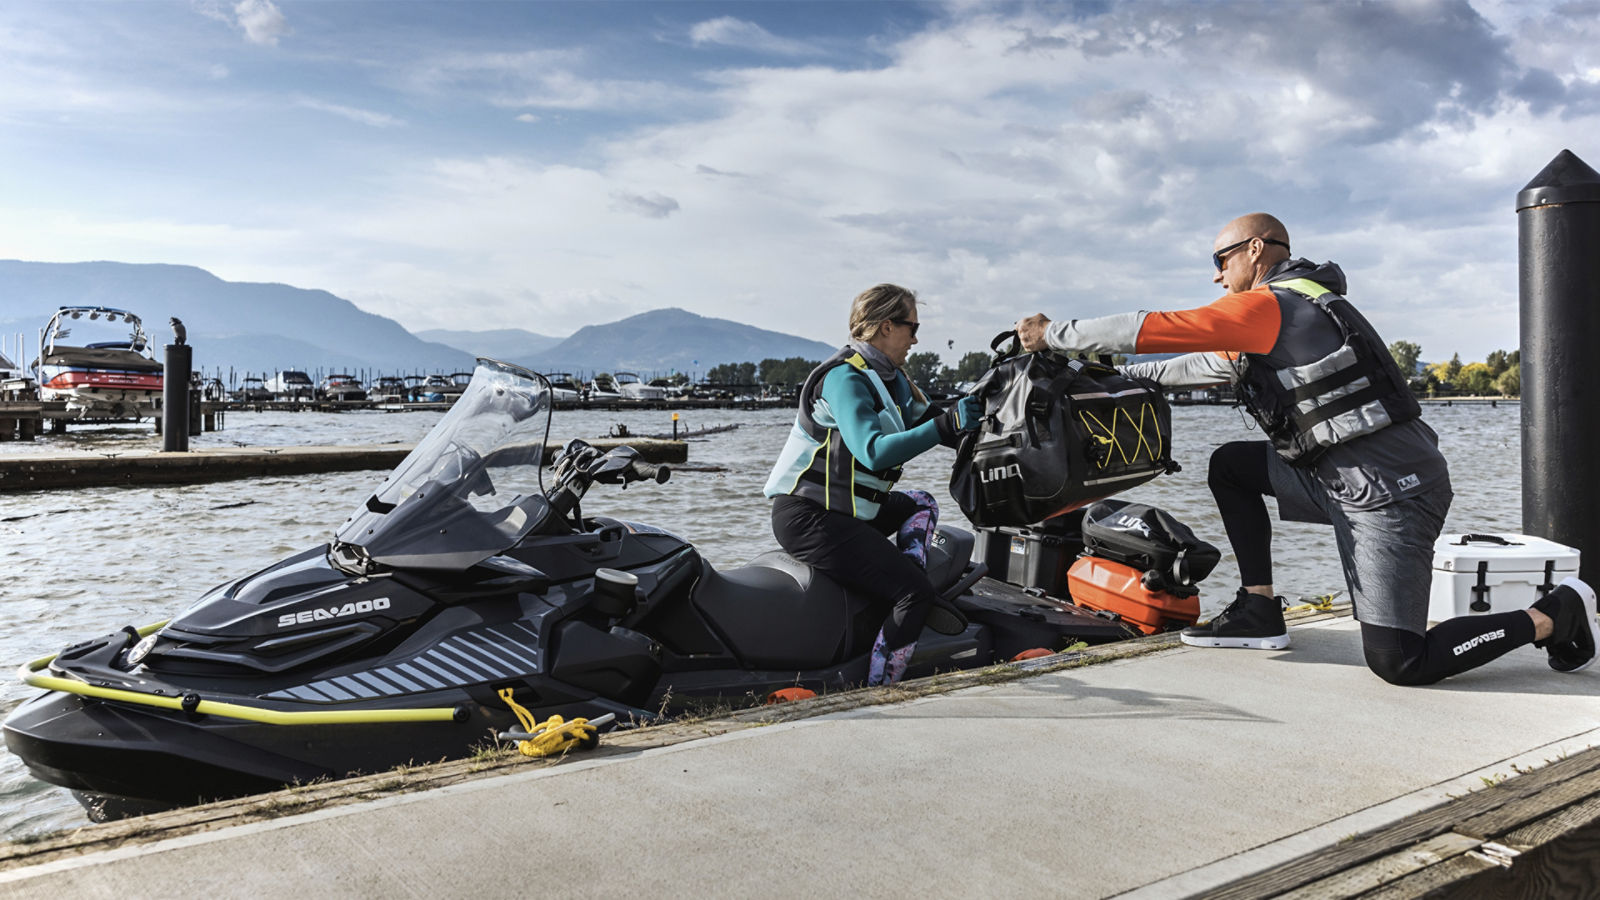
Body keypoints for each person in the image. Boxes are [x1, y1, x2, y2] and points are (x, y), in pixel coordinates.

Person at [1016, 213, 1599, 686]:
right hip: (1337, 482)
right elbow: (1195, 365)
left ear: (1258, 250)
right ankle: (1259, 607)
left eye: (1220, 261)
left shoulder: (1276, 305)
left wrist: (1056, 334)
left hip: (1391, 496)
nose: (1217, 277)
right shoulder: (1271, 321)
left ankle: (1553, 616)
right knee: (1232, 466)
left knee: (1401, 661)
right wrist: (1111, 376)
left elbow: (1163, 327)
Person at [764, 284, 982, 685]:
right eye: (911, 327)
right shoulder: (844, 378)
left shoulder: (894, 380)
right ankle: (880, 689)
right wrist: (945, 424)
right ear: (885, 326)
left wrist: (986, 423)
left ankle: (909, 580)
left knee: (922, 503)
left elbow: (941, 427)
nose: (916, 339)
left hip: (847, 510)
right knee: (911, 593)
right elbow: (873, 452)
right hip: (809, 517)